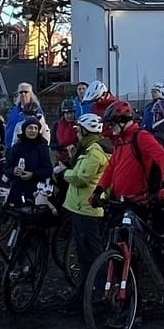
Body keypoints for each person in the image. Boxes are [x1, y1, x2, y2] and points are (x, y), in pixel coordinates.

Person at [96, 99, 164, 208]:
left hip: (138, 202)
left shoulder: (141, 137)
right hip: (120, 200)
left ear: (122, 121)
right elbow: (111, 168)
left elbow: (163, 157)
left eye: (112, 123)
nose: (110, 127)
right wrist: (99, 189)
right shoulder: (120, 141)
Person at [62, 113, 110, 275]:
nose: (76, 134)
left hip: (85, 206)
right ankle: (87, 288)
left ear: (86, 131)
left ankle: (97, 288)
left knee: (91, 253)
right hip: (82, 206)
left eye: (79, 131)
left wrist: (64, 173)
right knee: (86, 253)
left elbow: (81, 178)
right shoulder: (90, 147)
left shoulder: (94, 151)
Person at [3, 115, 53, 206]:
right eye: (30, 128)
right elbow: (7, 168)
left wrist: (33, 174)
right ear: (24, 130)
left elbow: (48, 169)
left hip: (36, 189)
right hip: (17, 189)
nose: (33, 131)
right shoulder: (17, 147)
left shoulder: (42, 147)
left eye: (35, 128)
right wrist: (13, 171)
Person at [7, 83, 47, 151]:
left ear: (30, 94)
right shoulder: (14, 110)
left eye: (26, 92)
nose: (23, 94)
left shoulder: (37, 110)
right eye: (21, 92)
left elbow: (42, 130)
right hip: (11, 147)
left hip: (28, 149)